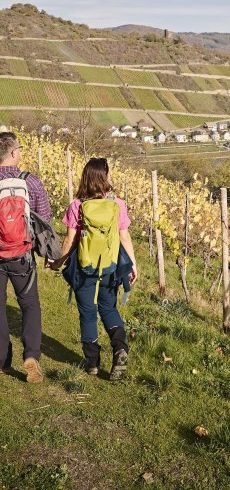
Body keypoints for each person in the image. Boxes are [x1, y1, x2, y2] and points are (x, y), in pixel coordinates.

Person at [54, 158, 137, 380]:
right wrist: (132, 264)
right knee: (109, 308)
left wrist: (58, 262)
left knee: (88, 312)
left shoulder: (76, 206)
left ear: (85, 177)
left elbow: (70, 239)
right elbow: (124, 236)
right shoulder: (117, 204)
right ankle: (120, 348)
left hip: (84, 267)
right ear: (106, 176)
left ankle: (92, 362)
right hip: (109, 266)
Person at [0, 131, 52, 383]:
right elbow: (44, 218)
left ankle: (2, 359)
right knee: (29, 304)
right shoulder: (30, 182)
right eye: (19, 148)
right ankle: (31, 355)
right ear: (12, 153)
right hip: (22, 254)